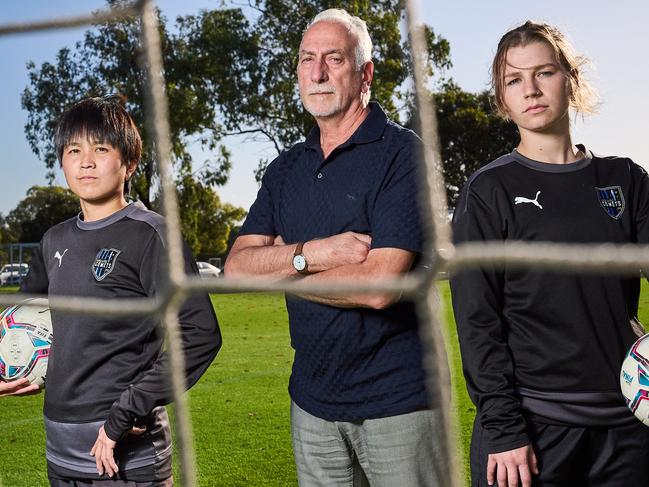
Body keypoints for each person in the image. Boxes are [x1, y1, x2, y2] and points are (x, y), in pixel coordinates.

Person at [225, 8, 442, 487]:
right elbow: (236, 271)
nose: (317, 72)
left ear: (365, 74)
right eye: (307, 59)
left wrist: (278, 269)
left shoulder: (402, 154)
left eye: (333, 59)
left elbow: (381, 285)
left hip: (399, 406)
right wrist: (312, 255)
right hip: (312, 407)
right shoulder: (284, 170)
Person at [450, 21, 649, 487]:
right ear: (502, 98)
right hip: (531, 432)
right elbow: (477, 320)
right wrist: (503, 429)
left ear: (571, 79)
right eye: (514, 80)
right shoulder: (489, 190)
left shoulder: (624, 179)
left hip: (626, 428)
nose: (531, 90)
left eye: (544, 73)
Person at [19, 95, 222, 486]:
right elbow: (21, 320)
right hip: (60, 455)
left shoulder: (153, 235)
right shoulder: (53, 240)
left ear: (129, 163)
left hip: (127, 458)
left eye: (101, 148)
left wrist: (123, 414)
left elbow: (199, 336)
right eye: (73, 150)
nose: (86, 161)